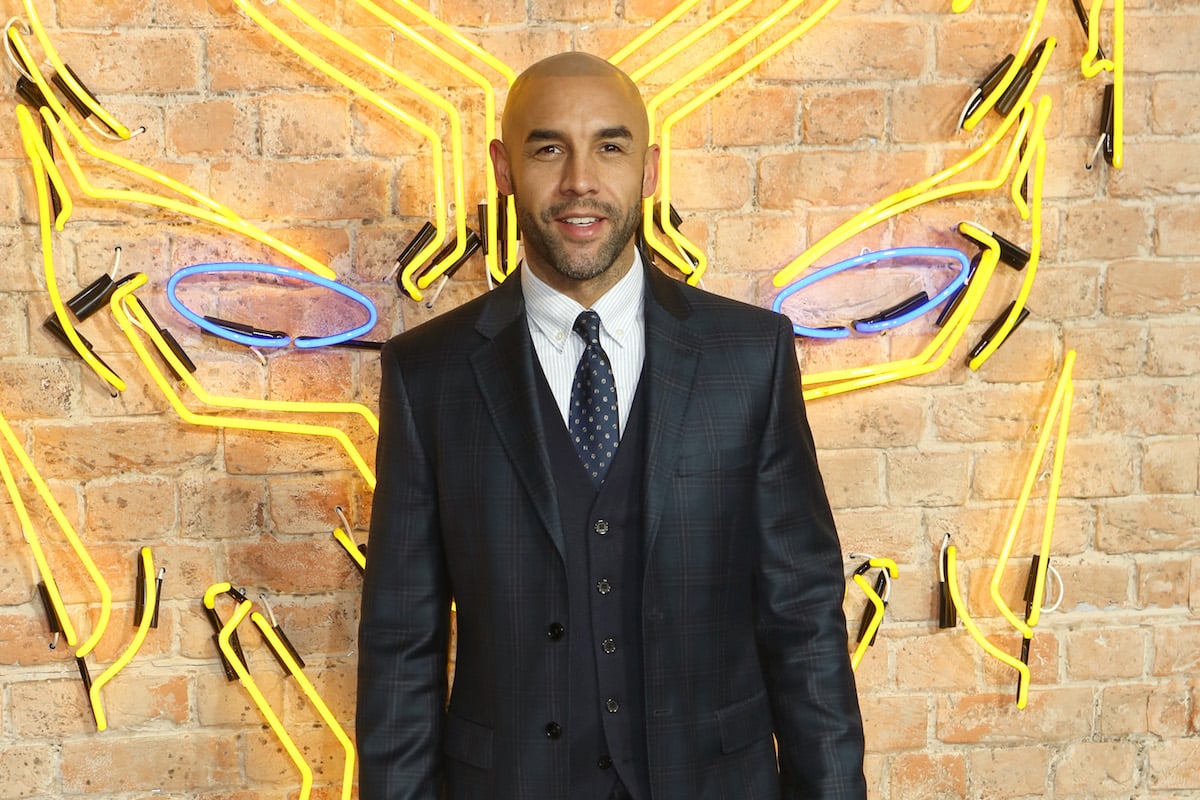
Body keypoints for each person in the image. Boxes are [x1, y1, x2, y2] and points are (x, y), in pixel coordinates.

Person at [358, 51, 866, 800]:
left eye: (610, 145)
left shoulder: (750, 356)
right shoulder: (425, 375)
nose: (580, 181)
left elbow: (803, 621)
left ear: (650, 168)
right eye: (547, 147)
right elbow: (403, 645)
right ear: (503, 168)